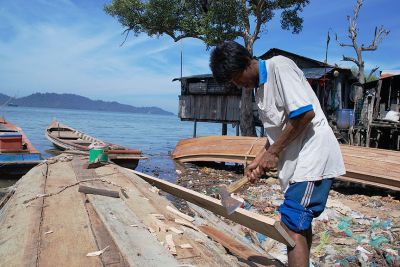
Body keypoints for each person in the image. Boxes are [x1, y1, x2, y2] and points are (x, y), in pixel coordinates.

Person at [209, 41, 345, 267]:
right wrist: (259, 159)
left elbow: (304, 115)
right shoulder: (260, 90)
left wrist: (273, 152)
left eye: (235, 77)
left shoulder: (279, 67)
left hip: (313, 157)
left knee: (291, 225)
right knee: (300, 224)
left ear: (245, 62)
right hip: (298, 161)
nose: (238, 84)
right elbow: (277, 133)